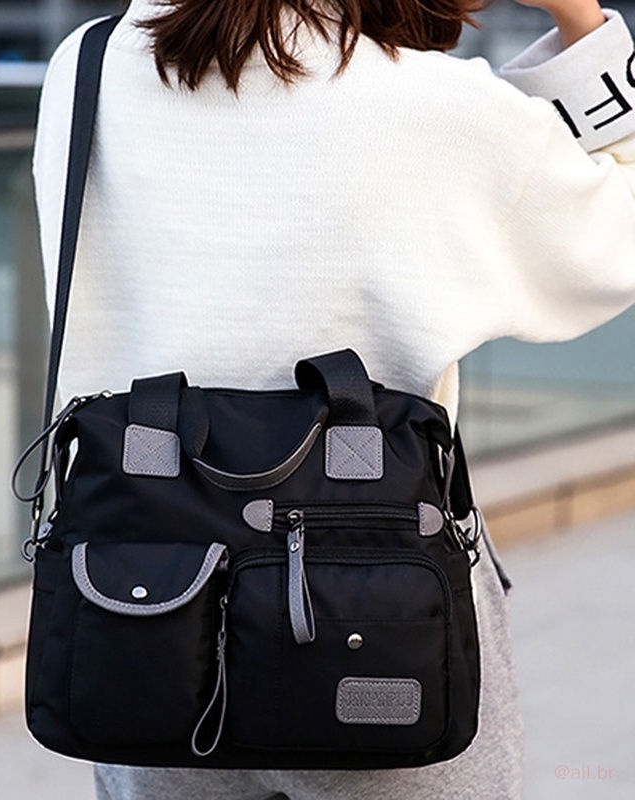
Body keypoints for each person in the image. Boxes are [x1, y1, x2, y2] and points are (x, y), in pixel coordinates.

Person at [31, 0, 635, 796]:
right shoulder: (439, 107)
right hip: (377, 608)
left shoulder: (87, 66)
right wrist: (582, 23)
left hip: (146, 604)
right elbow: (615, 241)